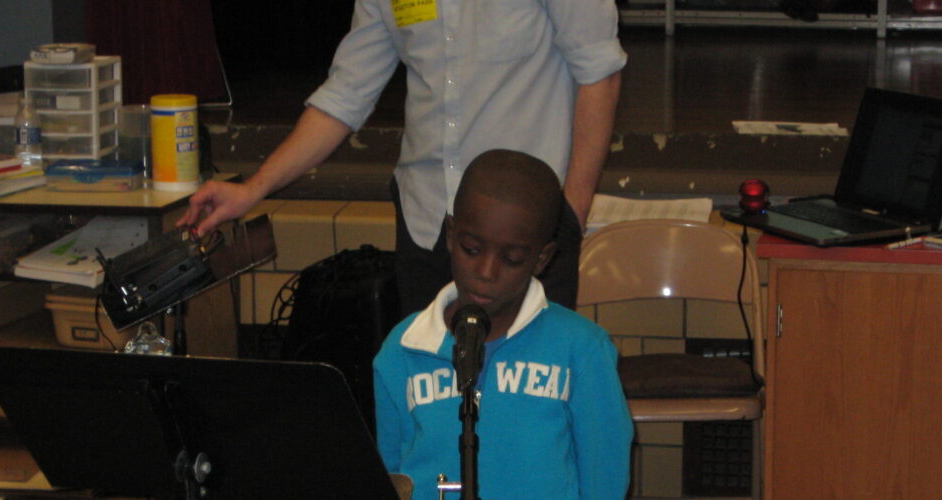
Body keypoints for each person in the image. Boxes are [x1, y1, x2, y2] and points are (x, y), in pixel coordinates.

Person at [177, 1, 625, 315]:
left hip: (526, 230)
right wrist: (252, 190)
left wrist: (571, 213)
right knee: (431, 406)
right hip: (427, 221)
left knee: (528, 414)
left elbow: (600, 72)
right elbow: (347, 93)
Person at [372, 149, 633, 500]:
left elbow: (605, 460)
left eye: (512, 259)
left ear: (542, 258)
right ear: (449, 233)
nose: (486, 273)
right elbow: (394, 468)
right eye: (471, 248)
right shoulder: (402, 351)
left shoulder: (578, 348)